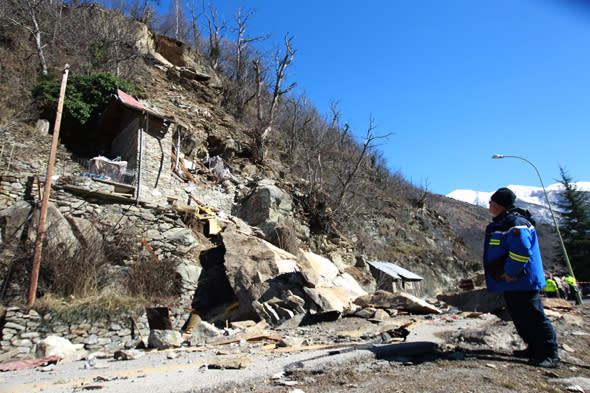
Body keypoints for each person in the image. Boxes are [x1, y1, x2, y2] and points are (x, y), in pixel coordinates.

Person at [483, 187, 559, 368]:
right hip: (511, 283)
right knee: (520, 316)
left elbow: (521, 250)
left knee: (534, 316)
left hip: (521, 280)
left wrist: (511, 272)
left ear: (499, 203)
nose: (489, 204)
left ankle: (549, 354)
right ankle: (533, 347)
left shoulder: (515, 222)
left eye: (492, 201)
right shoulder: (504, 222)